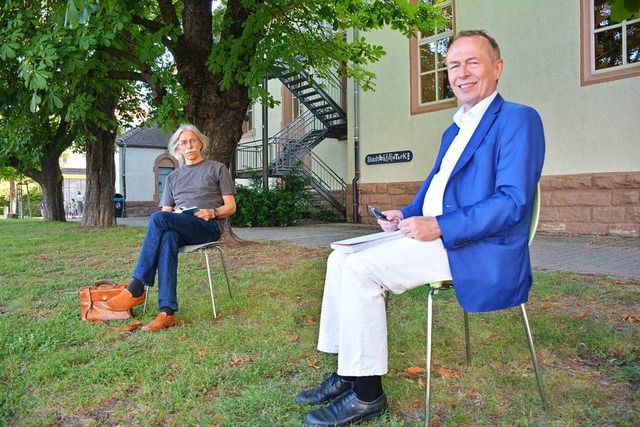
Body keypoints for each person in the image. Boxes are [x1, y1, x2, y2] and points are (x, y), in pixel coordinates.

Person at [295, 30, 545, 425]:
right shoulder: (455, 128)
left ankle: (367, 396)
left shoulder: (518, 120)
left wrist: (440, 226)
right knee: (339, 258)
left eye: (472, 62)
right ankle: (348, 371)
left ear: (497, 68)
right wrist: (404, 214)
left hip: (478, 247)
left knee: (361, 270)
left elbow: (512, 203)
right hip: (442, 236)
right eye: (452, 65)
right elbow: (438, 188)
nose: (461, 73)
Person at [96, 124, 237, 331]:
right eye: (183, 143)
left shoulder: (217, 168)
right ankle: (167, 312)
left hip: (208, 225)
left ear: (200, 144)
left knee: (157, 218)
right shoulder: (172, 177)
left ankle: (136, 287)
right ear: (178, 149)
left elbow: (231, 206)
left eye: (192, 141)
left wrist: (213, 212)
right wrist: (178, 214)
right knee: (168, 236)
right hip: (183, 224)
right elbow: (167, 212)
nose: (188, 146)